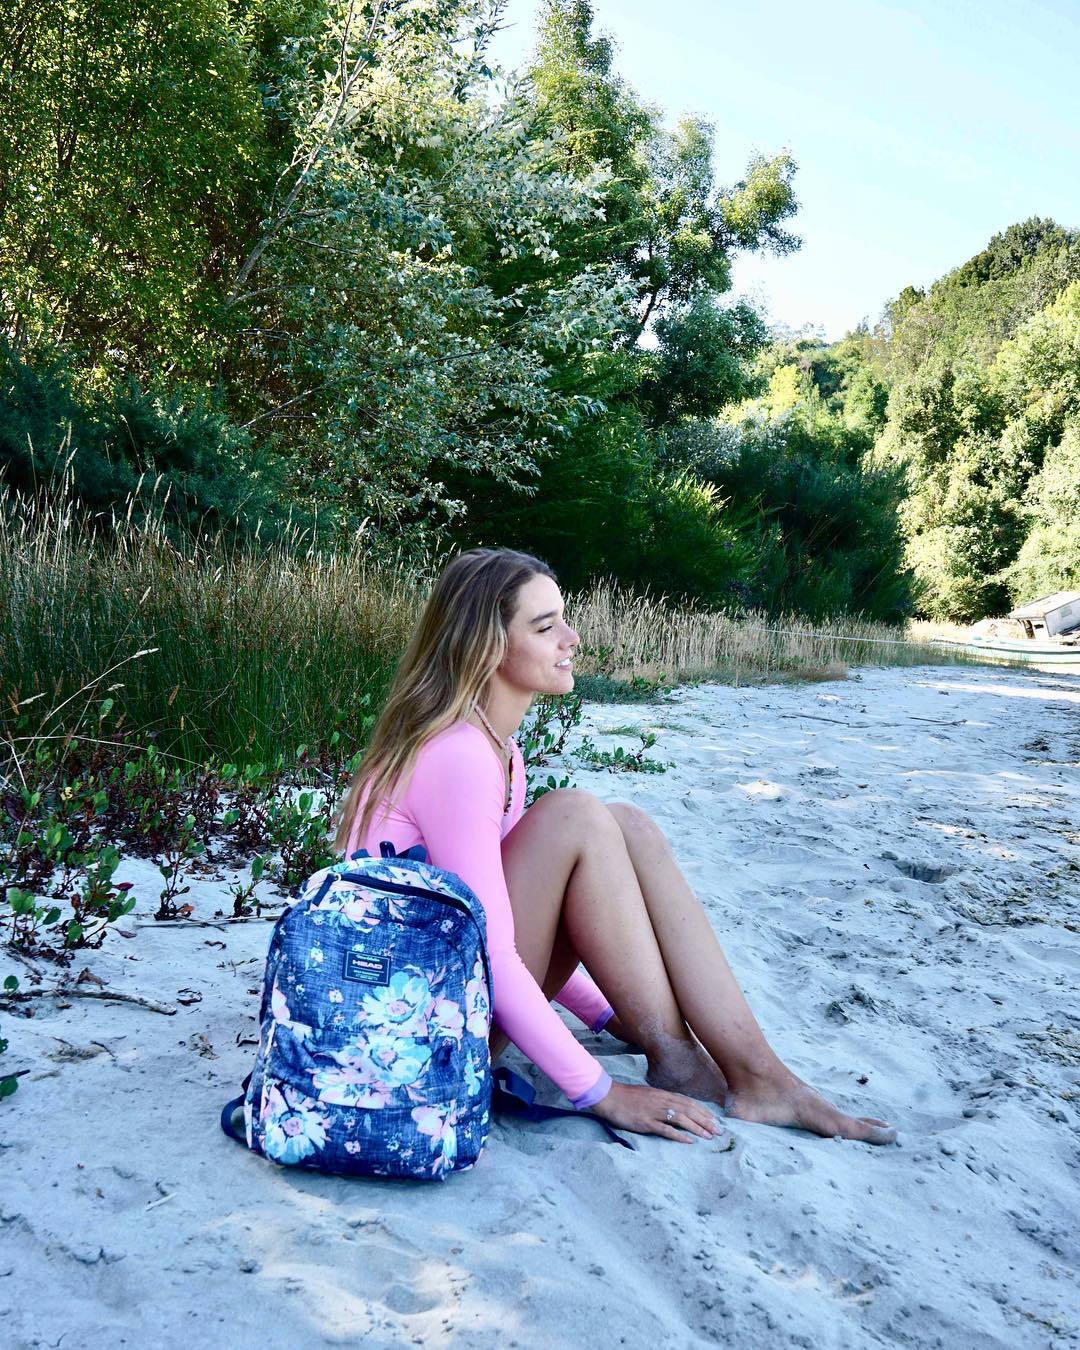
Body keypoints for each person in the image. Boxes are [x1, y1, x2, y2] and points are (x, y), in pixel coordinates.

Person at [335, 548, 896, 1146]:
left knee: (628, 823)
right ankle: (689, 1060)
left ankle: (754, 1073)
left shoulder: (498, 749)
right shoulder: (459, 754)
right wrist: (601, 1092)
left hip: (451, 992)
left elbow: (521, 912)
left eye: (564, 620)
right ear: (487, 647)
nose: (571, 638)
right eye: (545, 627)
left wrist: (608, 1014)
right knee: (574, 816)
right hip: (419, 1034)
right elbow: (493, 946)